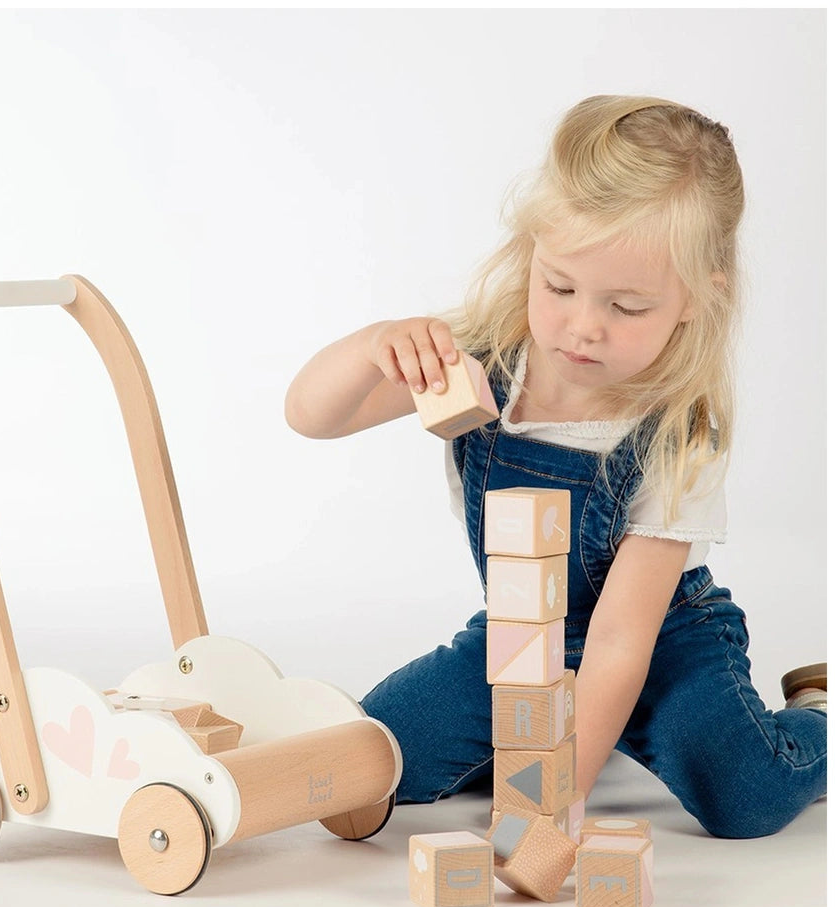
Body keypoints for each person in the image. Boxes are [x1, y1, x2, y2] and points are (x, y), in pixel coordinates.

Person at [285, 95, 826, 839]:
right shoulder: (478, 363)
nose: (582, 326)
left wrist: (556, 798)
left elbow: (617, 644)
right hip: (520, 639)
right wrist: (375, 342)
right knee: (373, 756)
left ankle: (819, 719)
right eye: (560, 286)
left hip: (660, 644)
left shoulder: (678, 435)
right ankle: (547, 734)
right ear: (530, 253)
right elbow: (312, 415)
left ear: (699, 298)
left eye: (627, 306)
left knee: (745, 793)